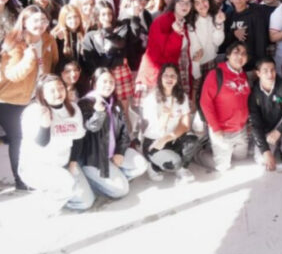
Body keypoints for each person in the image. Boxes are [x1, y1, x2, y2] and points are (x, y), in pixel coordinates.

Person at [0, 5, 57, 190]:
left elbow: (52, 65)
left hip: (34, 98)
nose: (40, 24)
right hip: (10, 99)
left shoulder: (48, 39)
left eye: (43, 20)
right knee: (18, 138)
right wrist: (28, 58)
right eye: (35, 20)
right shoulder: (14, 43)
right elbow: (12, 75)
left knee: (35, 137)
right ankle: (21, 180)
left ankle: (35, 174)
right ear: (24, 22)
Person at [18, 74, 94, 211]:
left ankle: (59, 190)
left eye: (60, 88)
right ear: (42, 94)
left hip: (62, 164)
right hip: (37, 166)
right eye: (51, 90)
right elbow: (40, 144)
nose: (58, 93)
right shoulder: (33, 112)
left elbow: (78, 139)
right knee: (67, 183)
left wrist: (73, 162)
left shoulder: (73, 108)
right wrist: (45, 125)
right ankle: (44, 205)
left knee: (85, 202)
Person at [78, 68, 148, 200]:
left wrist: (120, 152)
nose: (108, 85)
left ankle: (113, 175)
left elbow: (124, 131)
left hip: (113, 152)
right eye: (104, 81)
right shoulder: (85, 103)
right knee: (122, 190)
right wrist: (98, 113)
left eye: (111, 82)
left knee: (142, 165)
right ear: (94, 84)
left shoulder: (115, 103)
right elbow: (90, 128)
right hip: (95, 158)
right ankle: (92, 179)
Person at [197, 42, 251, 172]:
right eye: (236, 53)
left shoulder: (243, 74)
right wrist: (216, 128)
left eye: (243, 54)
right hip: (222, 130)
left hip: (240, 129)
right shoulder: (216, 74)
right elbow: (205, 103)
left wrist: (247, 122)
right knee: (222, 166)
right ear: (228, 55)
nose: (240, 57)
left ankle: (219, 149)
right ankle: (198, 153)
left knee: (241, 158)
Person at [140, 64, 198, 182]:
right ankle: (153, 166)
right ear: (160, 78)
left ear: (177, 79)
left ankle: (182, 169)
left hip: (171, 138)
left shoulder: (182, 97)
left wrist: (169, 137)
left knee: (192, 141)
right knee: (173, 163)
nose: (169, 79)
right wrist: (165, 115)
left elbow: (185, 125)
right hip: (154, 141)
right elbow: (158, 129)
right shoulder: (151, 98)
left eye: (173, 76)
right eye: (166, 75)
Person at [136, 0, 193, 104]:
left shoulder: (182, 22)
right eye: (181, 2)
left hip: (171, 70)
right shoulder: (162, 21)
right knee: (155, 109)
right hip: (156, 73)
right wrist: (176, 34)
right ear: (174, 4)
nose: (185, 6)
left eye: (188, 3)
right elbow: (164, 51)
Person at [249, 58, 282, 170]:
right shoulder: (254, 92)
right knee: (261, 161)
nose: (270, 74)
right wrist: (265, 150)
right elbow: (255, 123)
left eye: (272, 70)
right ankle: (274, 145)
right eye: (265, 71)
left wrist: (279, 131)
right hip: (267, 131)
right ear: (258, 73)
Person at [187, 0, 225, 110]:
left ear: (209, 0)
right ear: (193, 6)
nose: (202, 5)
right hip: (196, 63)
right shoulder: (191, 22)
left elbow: (218, 42)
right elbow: (195, 48)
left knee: (211, 95)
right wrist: (196, 71)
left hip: (211, 61)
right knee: (196, 96)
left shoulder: (216, 17)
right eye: (197, 3)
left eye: (204, 0)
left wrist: (219, 24)